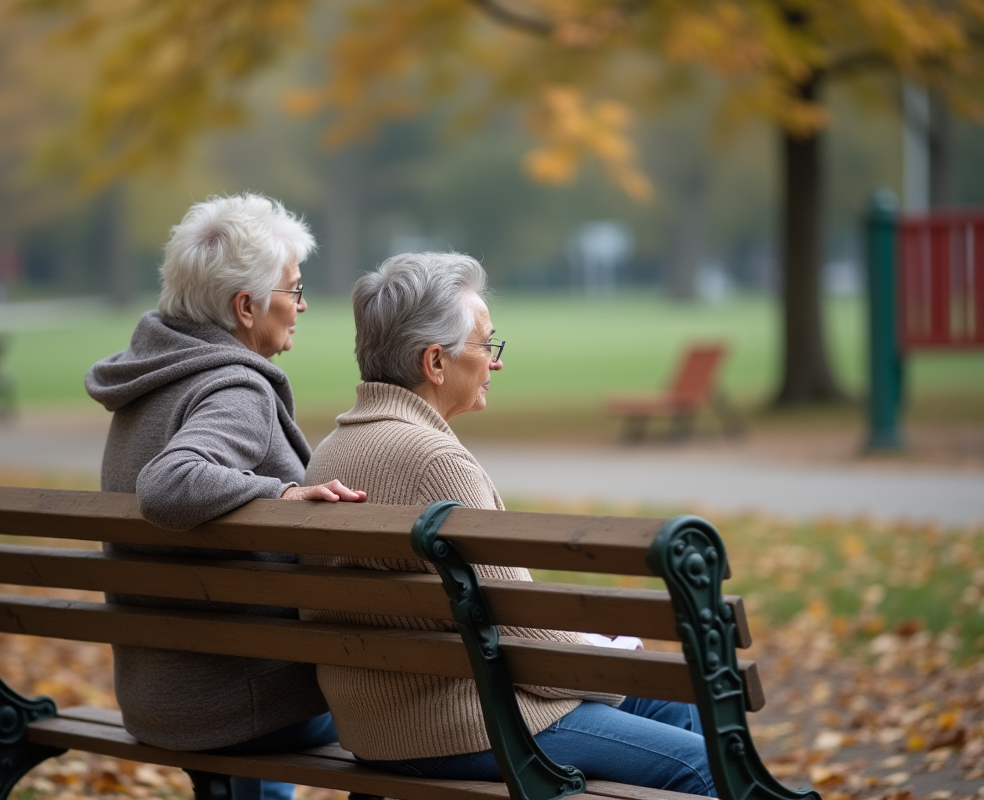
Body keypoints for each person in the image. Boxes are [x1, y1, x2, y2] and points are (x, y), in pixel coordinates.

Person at [302, 252, 715, 796]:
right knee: (705, 766)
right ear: (435, 362)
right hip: (463, 726)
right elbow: (522, 639)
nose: (495, 362)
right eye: (485, 344)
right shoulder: (435, 461)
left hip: (377, 726)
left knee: (667, 706)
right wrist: (609, 663)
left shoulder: (330, 452)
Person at [84, 192, 367, 800]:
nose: (301, 305)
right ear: (246, 307)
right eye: (293, 289)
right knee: (406, 710)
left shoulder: (152, 378)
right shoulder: (233, 388)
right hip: (239, 706)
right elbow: (169, 484)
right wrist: (285, 490)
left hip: (157, 696)